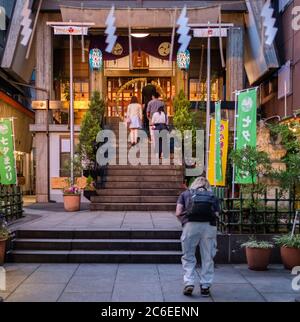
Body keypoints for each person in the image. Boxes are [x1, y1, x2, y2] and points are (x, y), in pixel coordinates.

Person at [176, 177, 220, 297]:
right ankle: (205, 286)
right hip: (209, 227)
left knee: (188, 255)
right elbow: (216, 214)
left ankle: (189, 283)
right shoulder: (212, 196)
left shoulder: (185, 194)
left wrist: (184, 222)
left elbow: (178, 212)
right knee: (207, 256)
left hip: (190, 225)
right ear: (207, 185)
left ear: (194, 184)